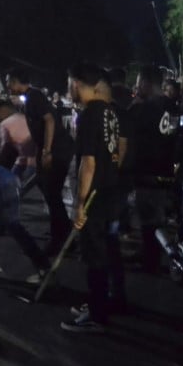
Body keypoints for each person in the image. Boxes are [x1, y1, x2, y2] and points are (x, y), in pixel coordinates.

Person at [62, 63, 121, 333]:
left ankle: (97, 316)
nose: (69, 89)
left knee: (94, 256)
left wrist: (80, 203)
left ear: (77, 83)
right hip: (109, 191)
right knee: (103, 252)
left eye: (70, 84)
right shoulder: (110, 111)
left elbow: (88, 162)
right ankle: (99, 304)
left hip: (94, 195)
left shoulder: (89, 114)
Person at [6, 67, 75, 257]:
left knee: (52, 193)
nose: (7, 85)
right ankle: (62, 232)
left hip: (58, 150)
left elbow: (50, 120)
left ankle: (60, 238)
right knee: (49, 191)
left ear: (17, 81)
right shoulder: (30, 98)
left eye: (9, 81)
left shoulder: (34, 96)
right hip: (53, 149)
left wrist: (46, 151)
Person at [127, 65, 178, 274]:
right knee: (156, 217)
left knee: (149, 219)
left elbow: (130, 135)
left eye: (139, 82)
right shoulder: (172, 106)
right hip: (166, 168)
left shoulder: (143, 109)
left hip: (146, 169)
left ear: (146, 83)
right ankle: (149, 254)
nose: (137, 87)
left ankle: (151, 261)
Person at [0, 102, 37, 184]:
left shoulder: (4, 124)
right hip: (35, 157)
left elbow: (5, 147)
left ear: (4, 110)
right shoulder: (25, 117)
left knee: (14, 183)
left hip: (30, 159)